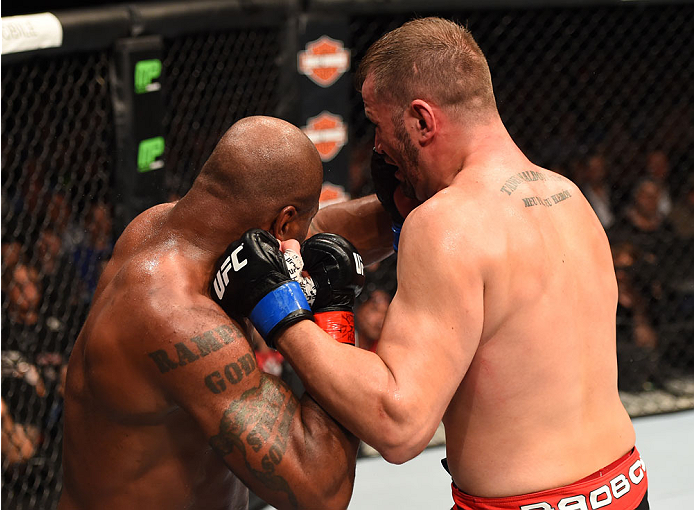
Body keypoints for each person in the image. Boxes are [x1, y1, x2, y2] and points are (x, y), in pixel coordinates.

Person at [217, 17, 649, 510]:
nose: (376, 146)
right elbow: (377, 225)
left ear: (422, 121)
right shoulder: (567, 196)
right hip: (627, 486)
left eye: (378, 125)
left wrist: (280, 311)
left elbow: (399, 426)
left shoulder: (447, 224)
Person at [58, 116, 359, 510]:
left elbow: (324, 237)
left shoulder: (155, 228)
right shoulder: (180, 319)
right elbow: (323, 492)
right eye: (298, 228)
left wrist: (401, 216)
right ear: (284, 222)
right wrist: (335, 312)